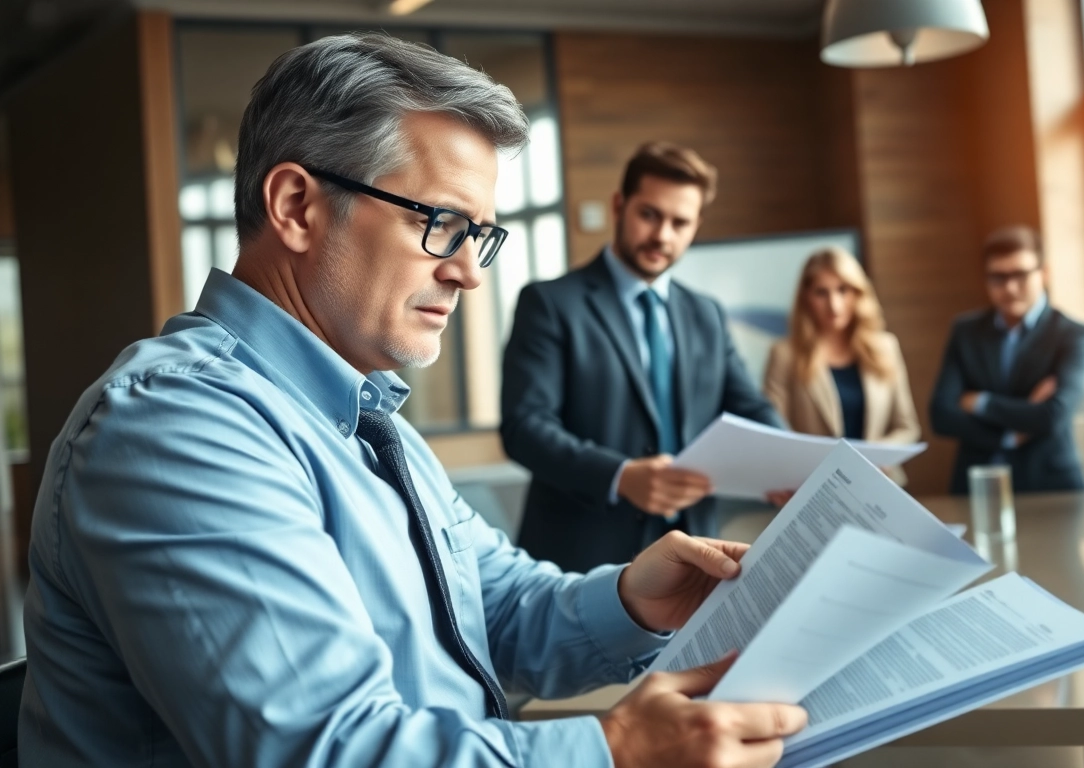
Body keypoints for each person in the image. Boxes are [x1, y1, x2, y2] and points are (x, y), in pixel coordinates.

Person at [20, 34, 807, 767]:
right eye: (442, 223)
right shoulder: (177, 429)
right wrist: (618, 749)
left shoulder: (366, 419)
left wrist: (636, 600)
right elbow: (329, 750)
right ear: (296, 206)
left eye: (480, 236)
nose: (467, 272)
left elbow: (492, 609)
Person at [501, 142, 785, 573]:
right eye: (649, 215)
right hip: (582, 558)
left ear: (696, 225)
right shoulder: (550, 303)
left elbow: (751, 407)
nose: (662, 236)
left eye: (680, 222)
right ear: (619, 205)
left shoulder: (705, 314)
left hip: (694, 552)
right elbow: (525, 428)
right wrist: (620, 476)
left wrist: (793, 466)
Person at [929, 225, 1084, 494]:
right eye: (998, 277)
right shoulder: (966, 331)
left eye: (1020, 275)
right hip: (976, 483)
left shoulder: (1073, 334)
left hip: (1050, 485)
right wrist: (1009, 435)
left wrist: (981, 402)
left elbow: (1053, 415)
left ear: (1044, 273)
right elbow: (941, 415)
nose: (1009, 287)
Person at [763, 246, 920, 486]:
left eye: (843, 290)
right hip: (813, 485)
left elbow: (907, 427)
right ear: (805, 297)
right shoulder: (785, 354)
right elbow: (775, 433)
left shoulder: (885, 347)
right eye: (821, 293)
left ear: (858, 294)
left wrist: (873, 456)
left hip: (879, 481)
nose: (834, 305)